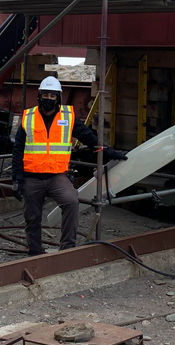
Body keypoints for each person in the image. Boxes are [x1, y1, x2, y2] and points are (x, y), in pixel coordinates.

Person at [11, 76, 127, 256]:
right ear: (39, 96)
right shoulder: (29, 118)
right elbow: (18, 150)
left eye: (52, 95)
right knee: (32, 216)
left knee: (71, 201)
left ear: (58, 98)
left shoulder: (68, 117)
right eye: (45, 95)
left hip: (57, 176)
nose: (49, 98)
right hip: (32, 176)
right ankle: (34, 252)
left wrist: (111, 153)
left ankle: (67, 249)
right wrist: (17, 179)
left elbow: (90, 139)